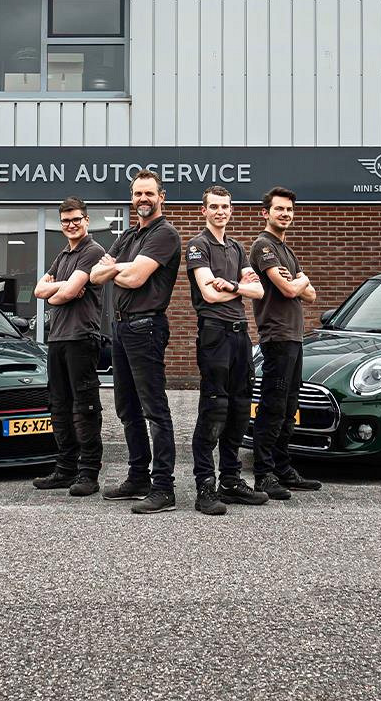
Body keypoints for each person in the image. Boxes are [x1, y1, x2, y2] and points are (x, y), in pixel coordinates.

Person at [90, 170, 183, 514]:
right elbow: (95, 275)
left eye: (149, 193)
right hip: (121, 327)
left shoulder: (165, 234)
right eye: (137, 193)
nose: (143, 199)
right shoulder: (129, 235)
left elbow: (135, 278)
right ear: (132, 198)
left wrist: (117, 269)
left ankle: (164, 488)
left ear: (161, 197)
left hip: (147, 327)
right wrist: (119, 269)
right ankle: (138, 477)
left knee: (154, 410)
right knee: (127, 408)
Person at [185, 185, 269, 515]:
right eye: (214, 206)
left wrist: (233, 285)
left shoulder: (237, 248)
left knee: (239, 409)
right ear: (203, 210)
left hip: (240, 335)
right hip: (214, 335)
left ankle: (231, 481)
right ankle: (205, 486)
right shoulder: (198, 245)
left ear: (231, 210)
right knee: (215, 409)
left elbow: (258, 291)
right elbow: (209, 294)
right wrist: (241, 288)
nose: (220, 212)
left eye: (225, 207)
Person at [249, 186, 323, 499]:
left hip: (294, 338)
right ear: (265, 213)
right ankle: (263, 475)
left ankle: (282, 469)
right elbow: (291, 291)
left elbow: (311, 294)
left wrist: (298, 281)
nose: (285, 214)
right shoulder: (263, 246)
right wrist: (299, 281)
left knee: (290, 407)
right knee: (273, 406)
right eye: (279, 209)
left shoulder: (286, 251)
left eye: (289, 210)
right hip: (277, 338)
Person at [31, 197, 107, 497]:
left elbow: (65, 293)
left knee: (84, 406)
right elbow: (40, 290)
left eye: (76, 219)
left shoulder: (93, 251)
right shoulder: (63, 255)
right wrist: (59, 290)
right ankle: (65, 470)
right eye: (66, 221)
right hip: (58, 338)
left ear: (86, 220)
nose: (71, 225)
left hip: (82, 338)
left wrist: (58, 291)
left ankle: (88, 473)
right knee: (59, 405)